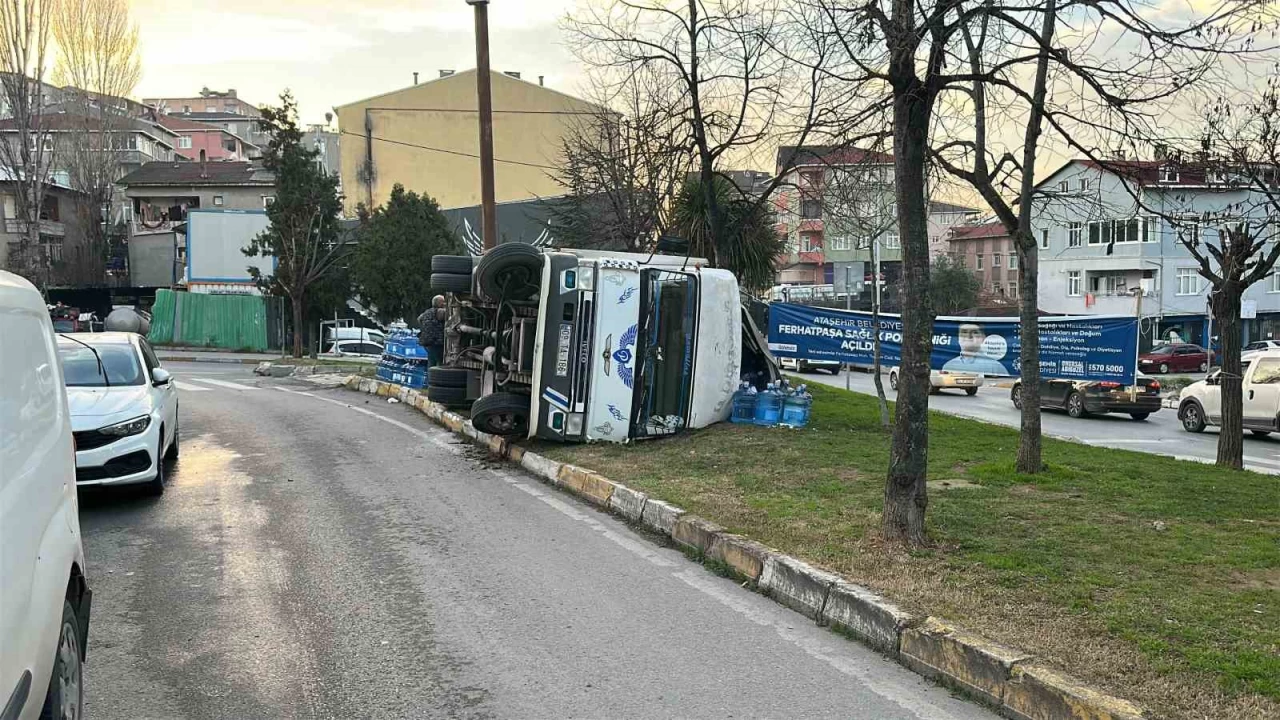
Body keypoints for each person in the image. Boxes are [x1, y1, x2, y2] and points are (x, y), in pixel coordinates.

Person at [941, 322, 1009, 376]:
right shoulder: (948, 366)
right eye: (964, 332)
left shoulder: (995, 367)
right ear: (958, 338)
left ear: (983, 338)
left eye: (975, 332)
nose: (969, 336)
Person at [418, 295, 446, 366]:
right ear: (440, 303)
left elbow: (419, 319)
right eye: (444, 302)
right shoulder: (440, 311)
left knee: (431, 363)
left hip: (427, 342)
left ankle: (431, 376)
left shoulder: (426, 312)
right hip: (437, 342)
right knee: (440, 363)